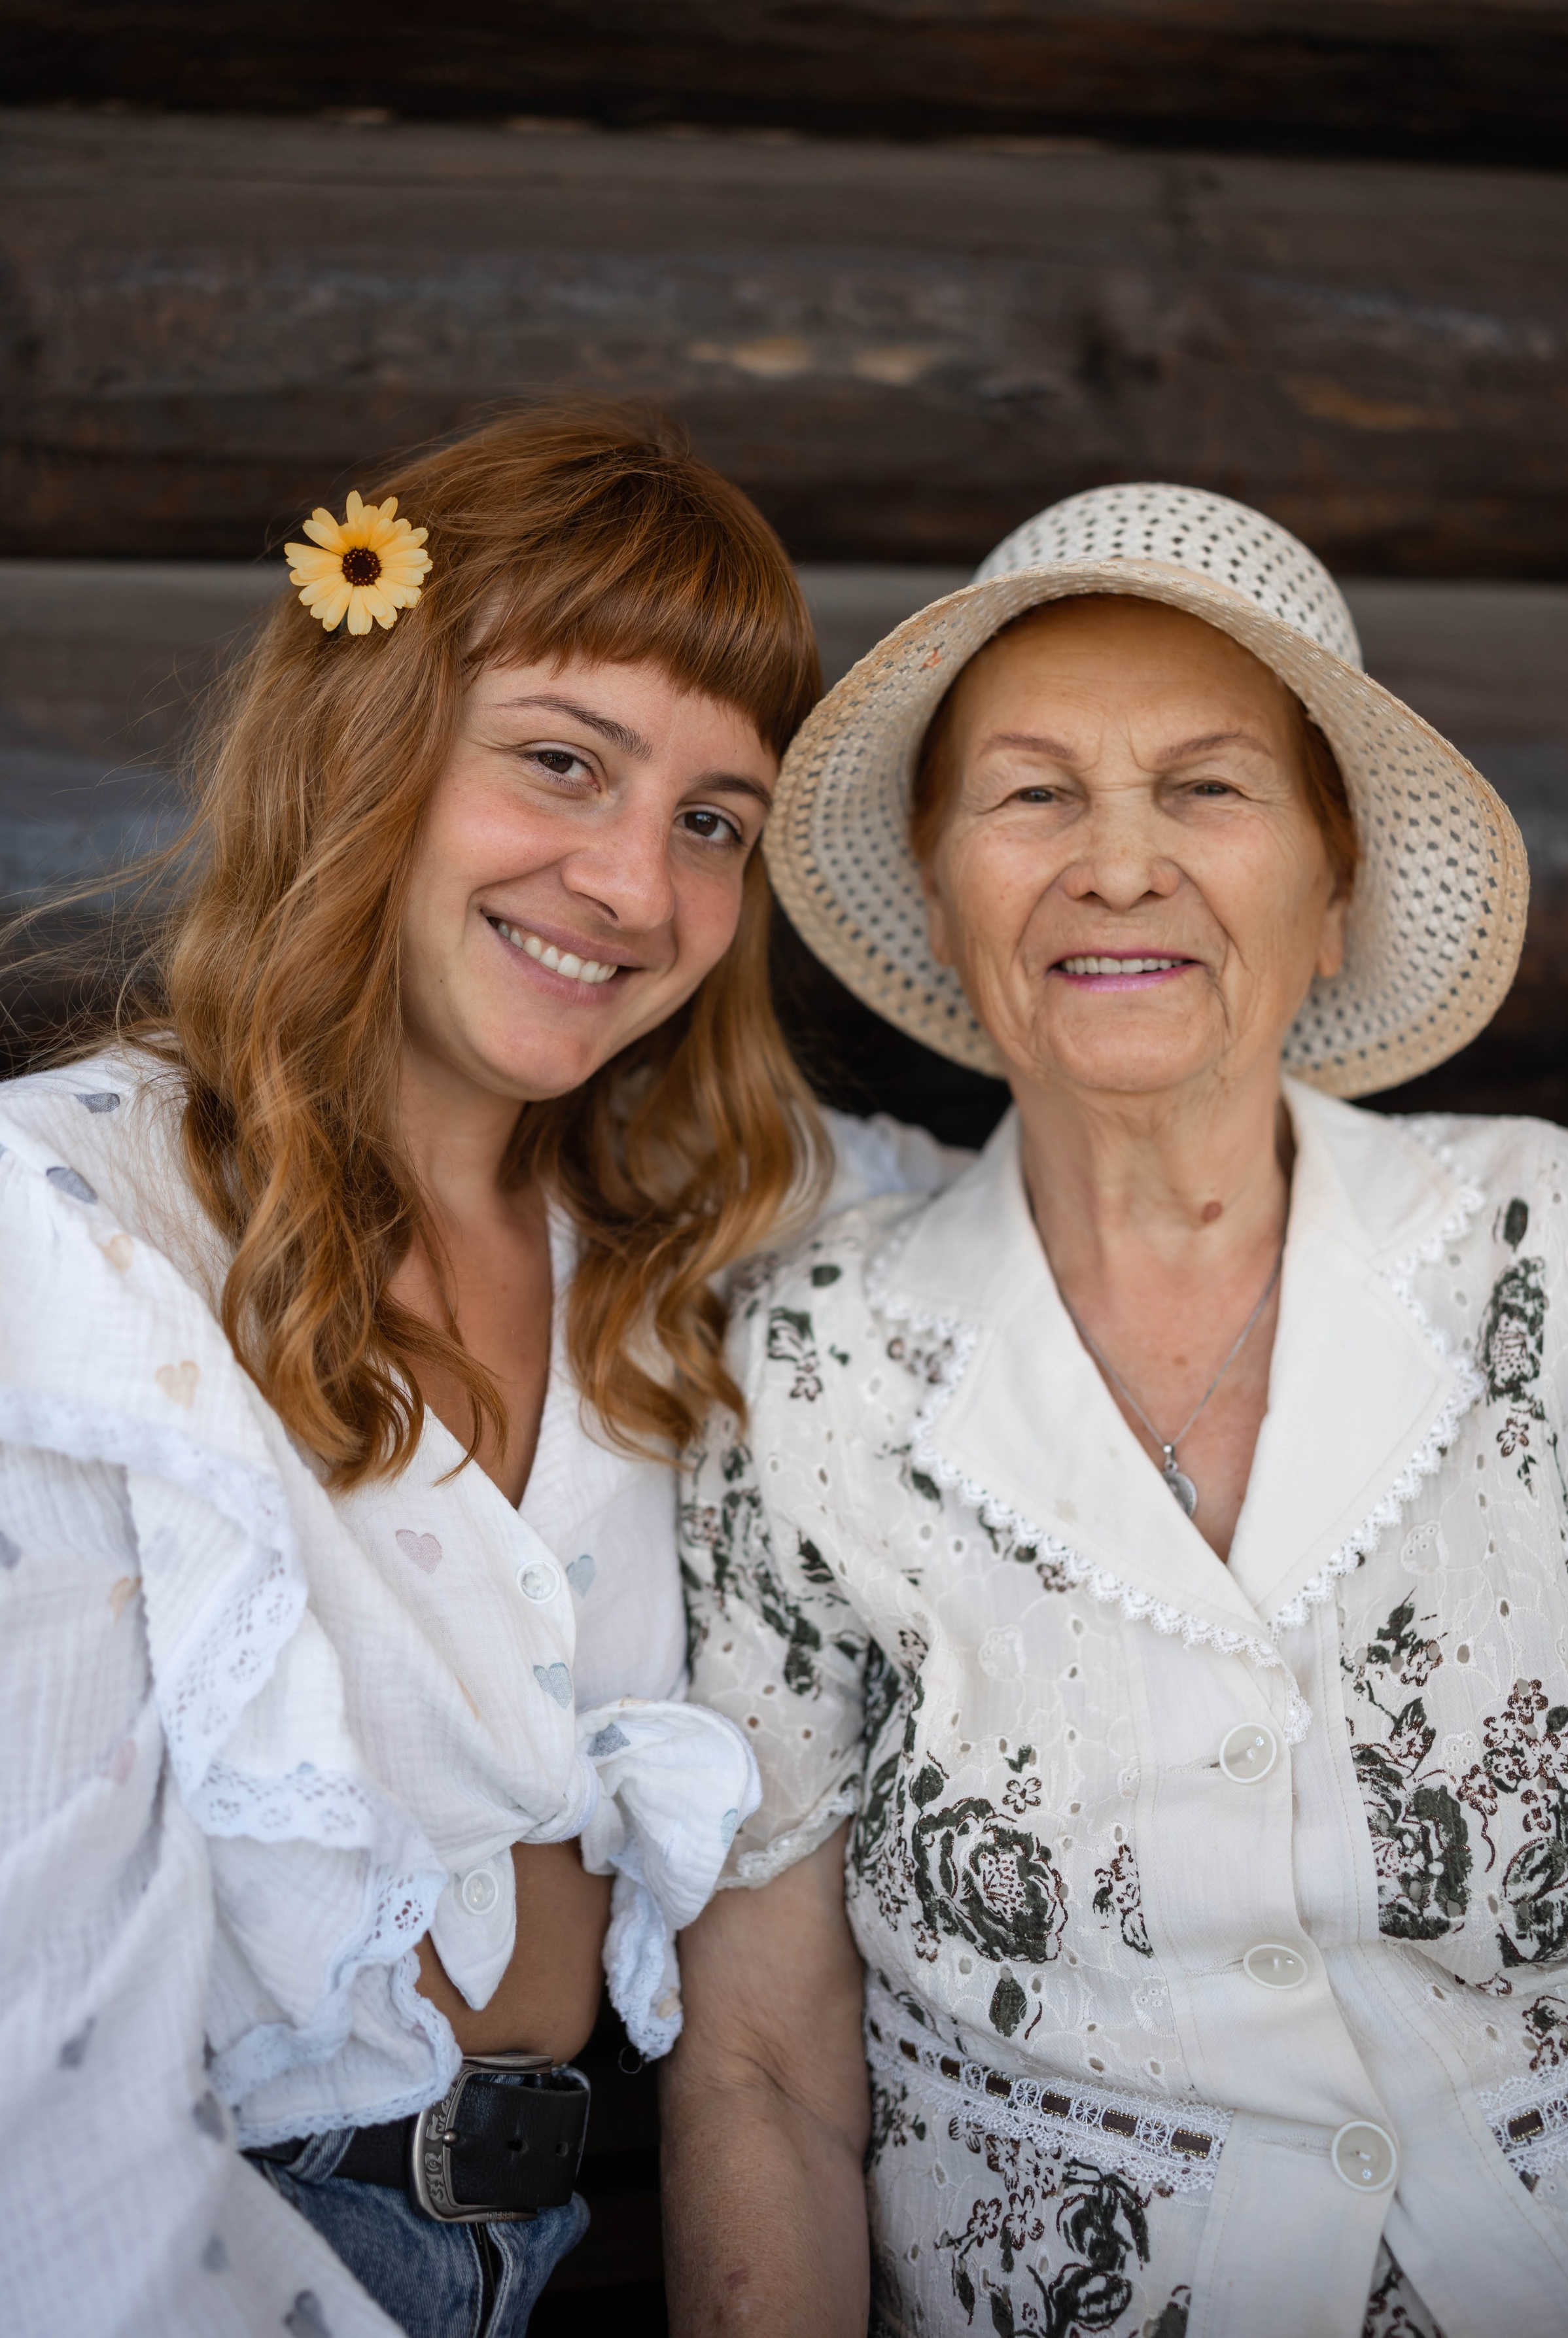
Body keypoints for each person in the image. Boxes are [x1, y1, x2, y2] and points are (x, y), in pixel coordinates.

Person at [664, 484, 1568, 2338]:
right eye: (1033, 795)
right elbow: (764, 2067)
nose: (1118, 866)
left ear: (1335, 888)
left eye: (1207, 788)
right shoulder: (808, 1365)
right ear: (941, 888)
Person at [0, 406, 951, 2338]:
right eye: (560, 763)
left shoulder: (678, 1228)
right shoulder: (76, 1230)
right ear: (369, 736)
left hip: (548, 2257)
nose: (636, 887)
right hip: (215, 2250)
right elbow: (46, 2061)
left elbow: (1063, 1200)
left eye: (713, 822)